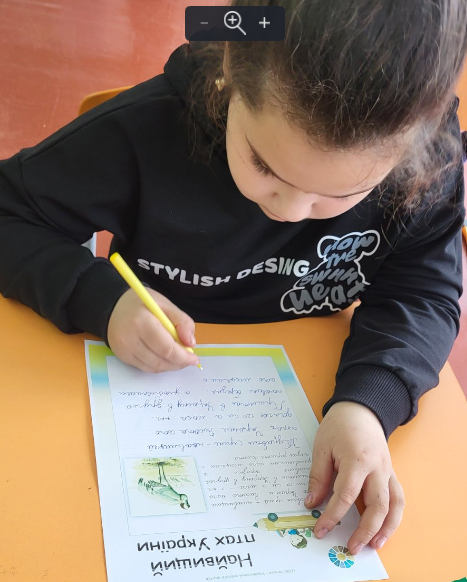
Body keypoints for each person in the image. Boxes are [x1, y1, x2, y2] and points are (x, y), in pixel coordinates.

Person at [0, 0, 466, 558]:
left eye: (338, 195)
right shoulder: (148, 129)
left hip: (311, 378)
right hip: (134, 383)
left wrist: (370, 403)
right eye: (264, 165)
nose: (289, 211)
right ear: (229, 72)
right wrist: (98, 298)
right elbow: (9, 213)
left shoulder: (428, 166)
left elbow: (422, 292)